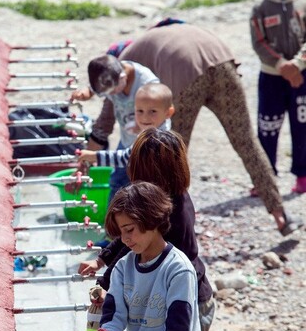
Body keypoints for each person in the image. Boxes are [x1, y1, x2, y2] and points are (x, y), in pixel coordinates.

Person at [98, 22, 301, 236]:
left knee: (170, 155)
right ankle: (280, 215)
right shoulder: (175, 31)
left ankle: (160, 228)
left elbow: (106, 115)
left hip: (187, 77)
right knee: (246, 140)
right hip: (223, 66)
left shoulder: (126, 58)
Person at [79, 128, 219, 331]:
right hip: (155, 309)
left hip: (191, 300)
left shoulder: (174, 218)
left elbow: (178, 328)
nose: (136, 178)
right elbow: (128, 243)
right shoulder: (144, 217)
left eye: (140, 170)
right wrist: (103, 266)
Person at [98, 181, 201, 331]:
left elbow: (178, 328)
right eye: (121, 233)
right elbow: (112, 315)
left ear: (152, 220)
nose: (125, 239)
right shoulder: (123, 268)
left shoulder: (178, 269)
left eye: (130, 230)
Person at [70, 54, 160, 202]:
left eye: (113, 92)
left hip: (148, 150)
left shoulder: (147, 86)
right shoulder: (111, 77)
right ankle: (113, 224)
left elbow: (127, 156)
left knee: (145, 194)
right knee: (118, 186)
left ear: (123, 77)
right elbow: (103, 127)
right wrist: (84, 165)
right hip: (127, 143)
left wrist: (145, 126)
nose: (112, 96)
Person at [250, 0, 306, 194]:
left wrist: (297, 64)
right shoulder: (260, 9)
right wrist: (281, 64)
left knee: (302, 126)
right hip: (271, 77)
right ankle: (265, 179)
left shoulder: (301, 5)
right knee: (268, 127)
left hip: (301, 76)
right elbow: (258, 42)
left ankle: (302, 174)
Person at [77, 83, 174, 168]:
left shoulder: (155, 141)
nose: (145, 118)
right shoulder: (157, 132)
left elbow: (124, 159)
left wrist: (94, 156)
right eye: (140, 111)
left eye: (153, 111)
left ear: (168, 113)